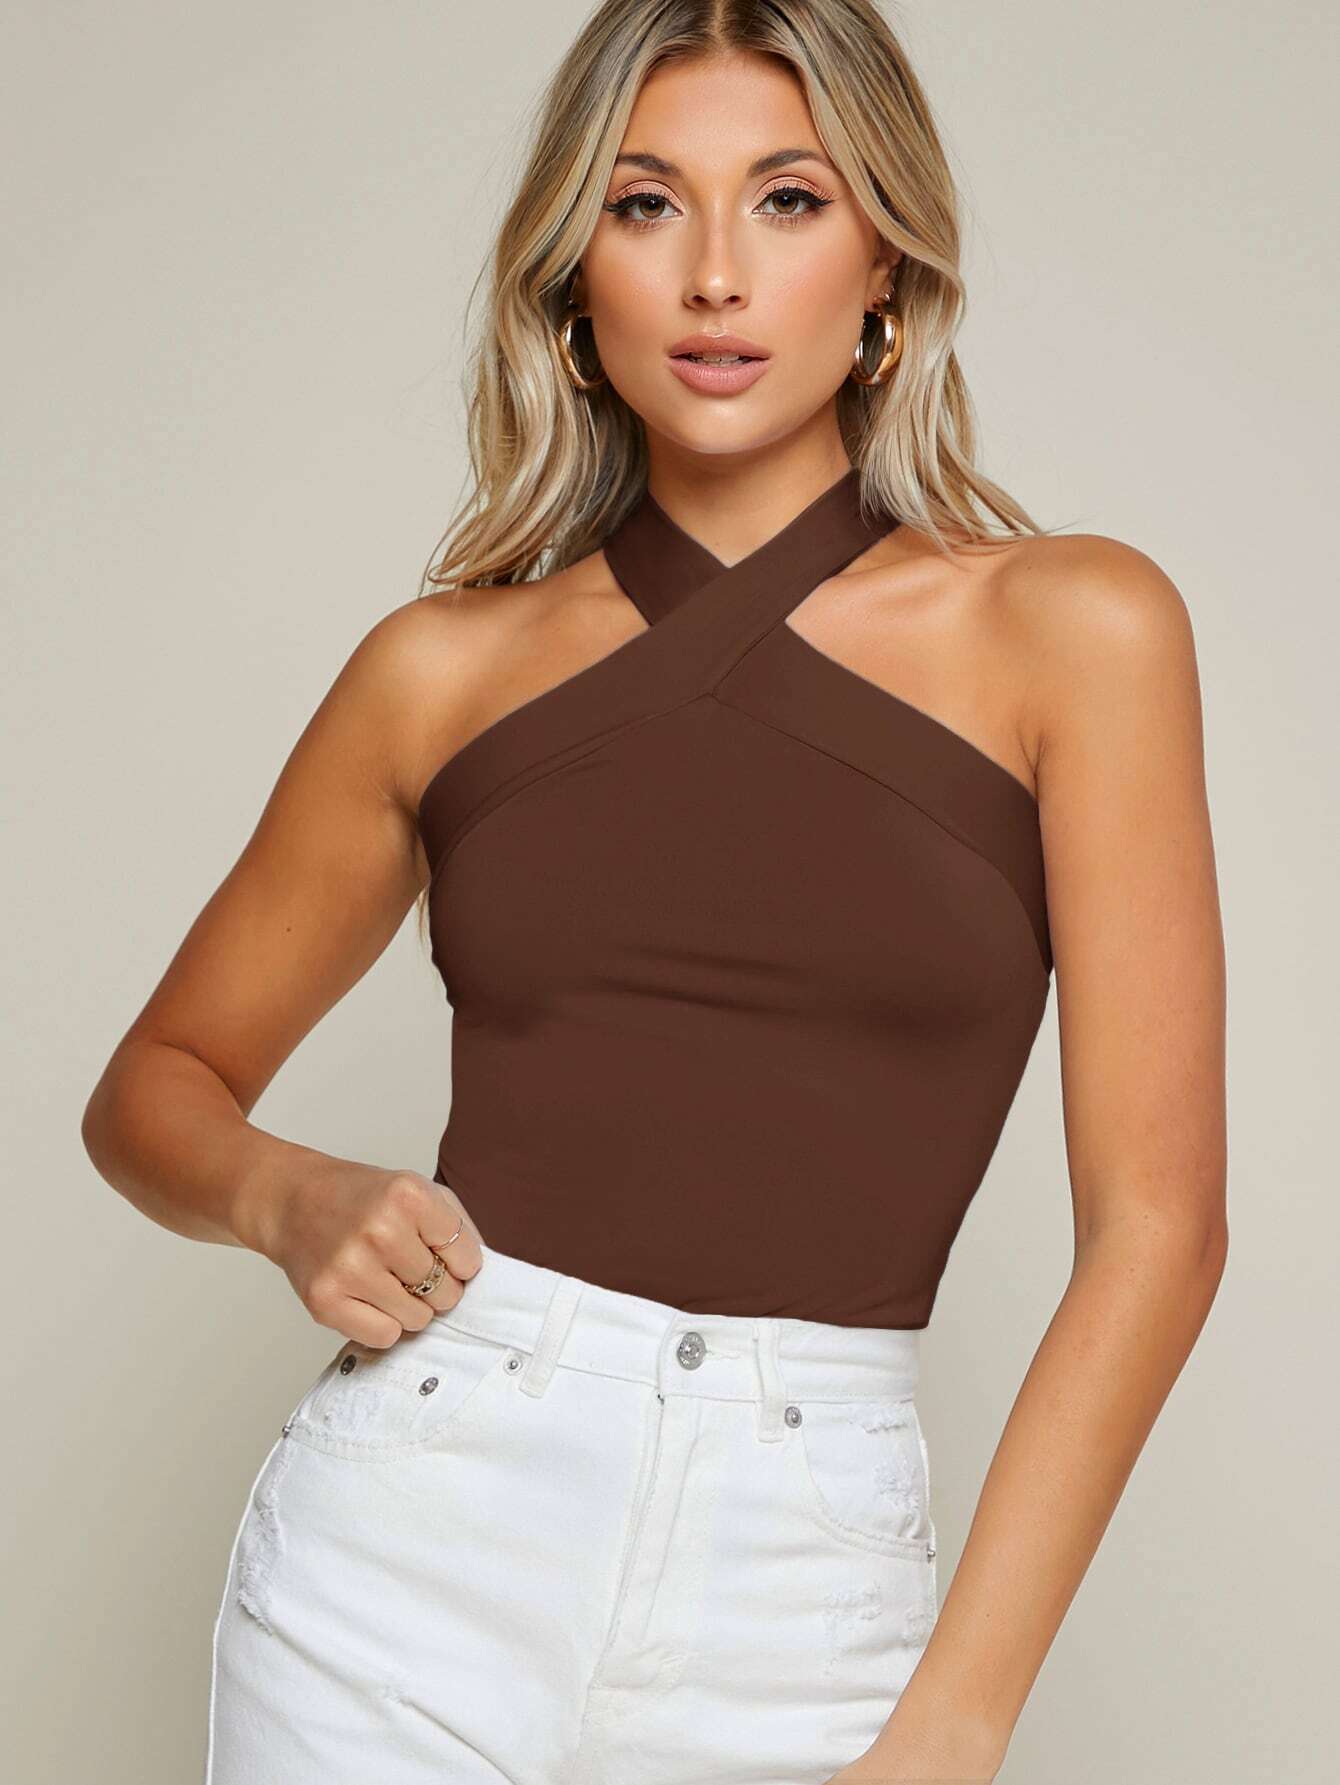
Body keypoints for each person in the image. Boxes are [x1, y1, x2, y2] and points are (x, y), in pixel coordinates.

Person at [81, 3, 1228, 1781]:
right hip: (405, 1551)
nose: (713, 275)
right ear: (571, 275)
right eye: (644, 203)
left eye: (787, 198)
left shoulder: (1076, 632)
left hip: (805, 1572)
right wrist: (288, 1197)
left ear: (886, 265)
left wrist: (955, 1719)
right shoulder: (439, 672)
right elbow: (154, 1087)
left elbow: (1159, 1224)